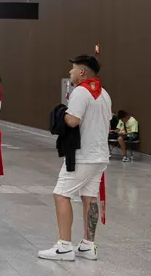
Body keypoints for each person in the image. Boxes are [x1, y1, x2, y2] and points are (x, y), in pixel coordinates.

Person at [39, 55, 111, 261]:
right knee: (90, 197)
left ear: (82, 72)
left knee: (61, 194)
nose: (69, 73)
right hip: (100, 155)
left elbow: (72, 120)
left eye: (72, 69)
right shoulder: (104, 93)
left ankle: (64, 246)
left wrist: (59, 113)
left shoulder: (81, 91)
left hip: (81, 155)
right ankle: (88, 245)